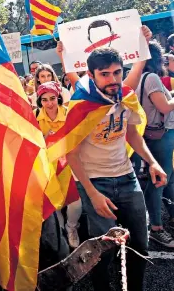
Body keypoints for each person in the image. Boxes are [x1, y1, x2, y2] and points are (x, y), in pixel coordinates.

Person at [66, 47, 167, 291]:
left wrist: (152, 161)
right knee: (102, 250)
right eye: (105, 74)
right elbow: (71, 153)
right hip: (95, 182)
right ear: (91, 75)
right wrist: (92, 194)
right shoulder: (79, 105)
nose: (112, 80)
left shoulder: (126, 97)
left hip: (126, 177)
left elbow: (132, 133)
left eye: (117, 72)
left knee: (139, 244)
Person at [135, 41, 174, 247]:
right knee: (159, 180)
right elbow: (164, 107)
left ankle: (167, 219)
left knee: (167, 178)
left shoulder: (140, 78)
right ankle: (156, 228)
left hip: (154, 134)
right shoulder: (150, 78)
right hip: (160, 135)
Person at [35, 82, 82, 248]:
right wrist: (46, 138)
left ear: (59, 97)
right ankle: (61, 232)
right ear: (40, 101)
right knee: (54, 201)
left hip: (71, 164)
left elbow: (79, 136)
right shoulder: (35, 116)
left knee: (76, 202)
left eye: (53, 98)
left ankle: (71, 227)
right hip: (48, 167)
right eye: (45, 99)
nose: (49, 103)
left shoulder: (69, 114)